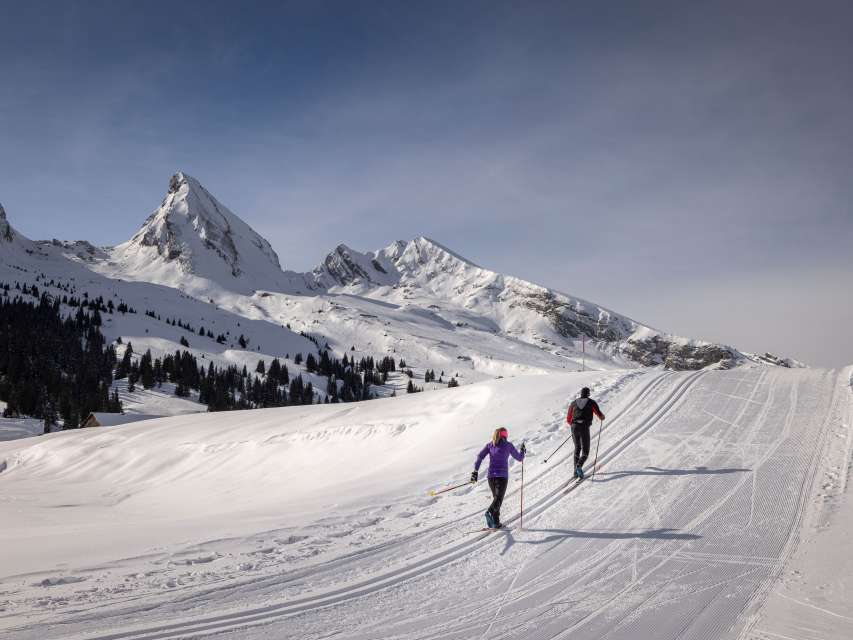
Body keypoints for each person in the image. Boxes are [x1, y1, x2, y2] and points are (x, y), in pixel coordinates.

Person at [471, 428, 525, 528]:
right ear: (505, 435)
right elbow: (519, 458)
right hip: (502, 476)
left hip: (491, 477)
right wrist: (522, 451)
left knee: (496, 499)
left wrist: (475, 471)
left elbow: (480, 456)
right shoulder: (508, 445)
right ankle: (489, 512)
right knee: (498, 499)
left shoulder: (490, 445)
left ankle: (496, 522)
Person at [566, 387, 605, 480]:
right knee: (585, 451)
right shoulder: (591, 402)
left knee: (577, 448)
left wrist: (574, 425)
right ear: (588, 394)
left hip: (574, 427)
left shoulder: (573, 403)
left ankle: (575, 472)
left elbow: (568, 419)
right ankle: (579, 466)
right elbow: (599, 415)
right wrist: (602, 417)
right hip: (584, 427)